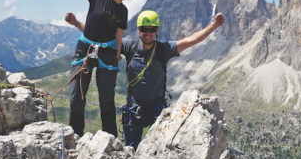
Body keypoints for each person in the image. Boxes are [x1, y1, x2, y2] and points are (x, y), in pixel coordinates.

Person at [66, 9, 225, 147]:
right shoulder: (130, 46)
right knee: (131, 151)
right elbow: (102, 39)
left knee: (161, 150)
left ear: (156, 31)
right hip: (135, 110)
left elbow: (191, 40)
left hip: (157, 108)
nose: (148, 33)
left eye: (151, 29)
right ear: (139, 30)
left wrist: (214, 26)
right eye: (144, 29)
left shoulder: (164, 49)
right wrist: (77, 24)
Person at [51, 0, 138, 137]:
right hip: (85, 48)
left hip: (107, 53)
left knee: (107, 101)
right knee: (76, 98)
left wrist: (117, 56)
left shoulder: (123, 12)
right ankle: (76, 138)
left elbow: (118, 36)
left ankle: (110, 142)